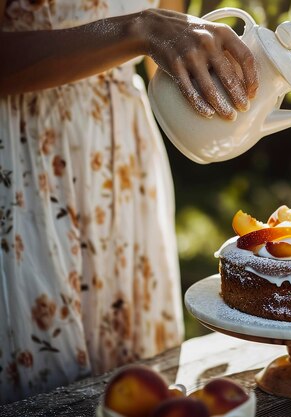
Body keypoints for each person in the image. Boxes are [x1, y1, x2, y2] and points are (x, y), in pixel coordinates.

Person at [0, 0, 258, 403]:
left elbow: (167, 56)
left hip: (123, 157)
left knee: (136, 388)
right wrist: (136, 30)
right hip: (30, 153)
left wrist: (234, 97)